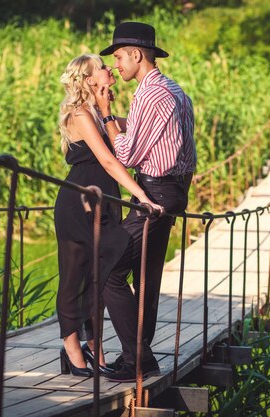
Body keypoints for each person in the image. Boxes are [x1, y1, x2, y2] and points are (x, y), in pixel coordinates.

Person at [95, 21, 197, 382]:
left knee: (108, 269)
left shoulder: (150, 96)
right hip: (173, 191)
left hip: (153, 194)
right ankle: (138, 355)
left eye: (120, 56)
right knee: (147, 276)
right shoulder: (174, 90)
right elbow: (163, 141)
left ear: (137, 55)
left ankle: (137, 357)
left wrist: (106, 116)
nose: (118, 64)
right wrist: (120, 122)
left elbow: (127, 153)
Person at [54, 54, 163, 377]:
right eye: (102, 66)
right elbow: (109, 162)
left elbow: (135, 135)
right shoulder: (79, 114)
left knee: (101, 276)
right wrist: (142, 196)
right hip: (79, 203)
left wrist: (110, 110)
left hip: (104, 203)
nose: (109, 68)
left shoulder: (101, 115)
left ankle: (98, 350)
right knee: (75, 276)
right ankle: (73, 349)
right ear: (89, 80)